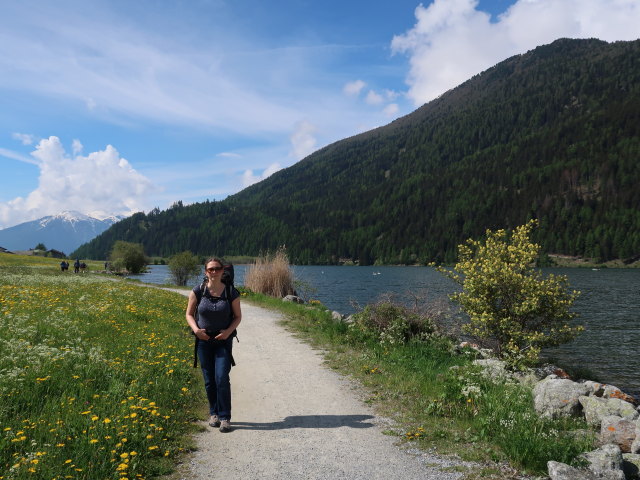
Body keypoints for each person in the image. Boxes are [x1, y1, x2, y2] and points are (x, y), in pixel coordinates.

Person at [186, 257, 242, 433]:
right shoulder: (198, 291)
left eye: (217, 269)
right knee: (209, 381)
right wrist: (196, 330)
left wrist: (227, 332)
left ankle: (225, 417)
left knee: (221, 378)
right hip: (203, 341)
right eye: (210, 269)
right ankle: (214, 413)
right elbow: (188, 314)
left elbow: (238, 316)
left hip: (223, 341)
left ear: (222, 271)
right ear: (205, 272)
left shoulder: (230, 292)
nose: (214, 272)